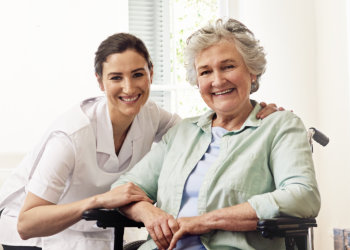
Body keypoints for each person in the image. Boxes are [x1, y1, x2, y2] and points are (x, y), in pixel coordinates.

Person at [0, 33, 280, 250]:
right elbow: (27, 223)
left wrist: (255, 110)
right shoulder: (70, 136)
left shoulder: (152, 116)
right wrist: (100, 200)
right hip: (32, 234)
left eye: (137, 74)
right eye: (115, 78)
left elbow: (201, 132)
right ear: (100, 82)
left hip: (95, 229)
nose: (129, 88)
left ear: (151, 73)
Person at [112, 19, 321, 250]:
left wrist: (204, 221)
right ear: (197, 81)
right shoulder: (182, 133)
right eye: (205, 72)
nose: (217, 81)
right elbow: (123, 189)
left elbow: (303, 195)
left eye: (228, 66)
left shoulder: (280, 127)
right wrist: (149, 213)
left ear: (252, 71)